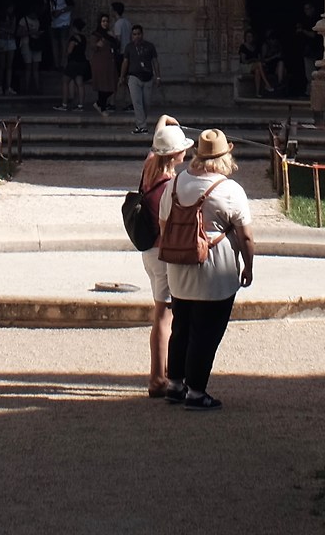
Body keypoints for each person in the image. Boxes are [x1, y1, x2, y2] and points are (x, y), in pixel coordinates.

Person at [160, 128, 254, 410]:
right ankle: (196, 391)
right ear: (226, 157)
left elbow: (164, 225)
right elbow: (246, 236)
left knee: (181, 327)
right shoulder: (230, 190)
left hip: (179, 268)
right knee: (206, 332)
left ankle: (174, 384)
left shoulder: (175, 183)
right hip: (215, 270)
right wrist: (248, 266)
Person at [137, 118, 193, 396]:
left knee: (164, 313)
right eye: (182, 148)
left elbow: (157, 140)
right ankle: (158, 377)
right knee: (164, 315)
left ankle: (163, 373)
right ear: (175, 154)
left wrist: (164, 119)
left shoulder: (150, 167)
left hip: (149, 251)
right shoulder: (171, 184)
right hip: (162, 254)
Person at [124, 24, 159, 123]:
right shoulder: (129, 47)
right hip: (134, 77)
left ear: (142, 34)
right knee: (137, 102)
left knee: (146, 103)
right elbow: (125, 62)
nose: (137, 36)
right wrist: (122, 76)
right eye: (134, 34)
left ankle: (141, 123)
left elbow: (155, 61)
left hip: (147, 77)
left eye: (138, 34)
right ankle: (141, 125)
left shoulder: (149, 46)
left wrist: (158, 77)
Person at [57, 21, 91, 112]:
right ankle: (80, 105)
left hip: (73, 63)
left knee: (65, 81)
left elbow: (69, 51)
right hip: (82, 62)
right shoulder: (83, 38)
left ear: (75, 28)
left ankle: (64, 104)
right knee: (80, 83)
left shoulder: (73, 38)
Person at [90, 20, 121, 114]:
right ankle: (102, 107)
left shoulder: (109, 34)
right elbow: (93, 47)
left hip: (110, 63)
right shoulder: (96, 34)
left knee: (113, 84)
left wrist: (113, 37)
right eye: (103, 21)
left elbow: (117, 45)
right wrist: (98, 43)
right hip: (100, 62)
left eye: (107, 21)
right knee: (102, 85)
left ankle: (99, 103)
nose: (105, 23)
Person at [14, 12, 41, 95]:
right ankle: (26, 88)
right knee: (28, 67)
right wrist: (30, 33)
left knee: (36, 67)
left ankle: (37, 88)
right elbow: (18, 33)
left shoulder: (37, 21)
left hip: (36, 44)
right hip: (26, 44)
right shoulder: (23, 20)